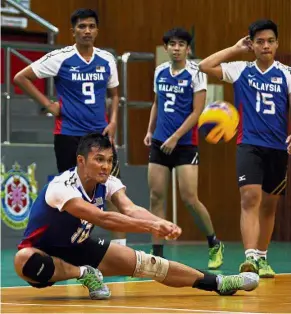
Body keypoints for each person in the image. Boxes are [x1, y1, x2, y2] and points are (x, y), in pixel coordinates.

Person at [14, 133, 259, 299]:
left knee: (149, 265)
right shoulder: (62, 187)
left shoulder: (108, 182)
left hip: (79, 246)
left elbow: (129, 209)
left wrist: (159, 222)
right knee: (24, 260)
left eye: (109, 161)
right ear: (81, 160)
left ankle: (219, 284)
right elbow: (104, 219)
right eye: (99, 160)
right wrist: (149, 228)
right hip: (43, 254)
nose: (105, 166)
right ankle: (85, 274)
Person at [13, 9, 127, 247]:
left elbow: (115, 94)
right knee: (72, 196)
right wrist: (47, 105)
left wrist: (114, 121)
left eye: (91, 27)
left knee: (113, 191)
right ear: (72, 31)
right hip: (69, 136)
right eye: (82, 27)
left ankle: (121, 249)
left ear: (97, 30)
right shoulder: (60, 57)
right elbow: (21, 77)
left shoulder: (107, 59)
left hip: (100, 136)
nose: (87, 31)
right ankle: (72, 246)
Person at [199, 19, 291, 278]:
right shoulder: (240, 69)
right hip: (248, 144)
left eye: (270, 41)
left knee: (269, 205)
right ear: (252, 44)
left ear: (277, 43)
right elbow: (205, 65)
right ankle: (249, 258)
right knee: (250, 198)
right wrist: (235, 48)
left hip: (277, 147)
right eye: (259, 41)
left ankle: (262, 258)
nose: (265, 46)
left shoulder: (286, 73)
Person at [144, 28, 224, 269]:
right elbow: (156, 104)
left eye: (181, 44)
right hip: (159, 142)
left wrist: (176, 137)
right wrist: (150, 130)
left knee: (189, 198)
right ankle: (157, 254)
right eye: (172, 44)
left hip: (185, 144)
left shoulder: (196, 73)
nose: (176, 48)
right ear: (166, 48)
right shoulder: (160, 71)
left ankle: (214, 243)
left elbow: (197, 111)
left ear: (188, 49)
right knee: (156, 197)